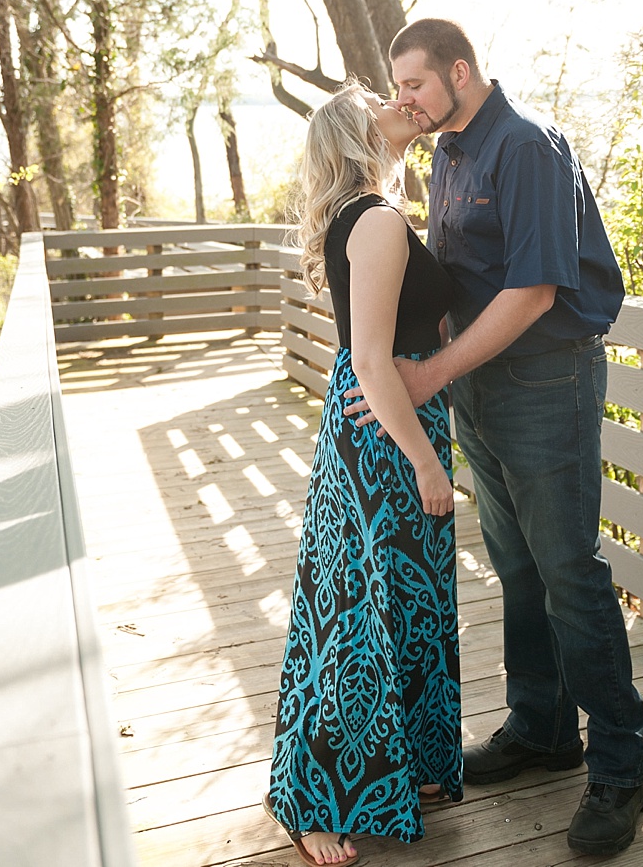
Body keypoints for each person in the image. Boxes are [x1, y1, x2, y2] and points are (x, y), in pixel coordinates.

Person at [347, 17, 643, 858]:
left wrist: (430, 374)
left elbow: (532, 294)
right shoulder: (448, 151)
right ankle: (544, 726)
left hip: (546, 383)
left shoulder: (524, 147)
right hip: (478, 386)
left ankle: (623, 764)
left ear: (459, 68)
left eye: (412, 83)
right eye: (395, 87)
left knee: (569, 571)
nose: (400, 98)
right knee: (517, 565)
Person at [264, 83, 462, 867]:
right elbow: (373, 361)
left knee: (391, 601)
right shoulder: (376, 220)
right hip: (386, 438)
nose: (397, 99)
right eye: (379, 96)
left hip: (387, 424)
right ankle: (311, 801)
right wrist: (422, 460)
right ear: (355, 130)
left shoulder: (379, 212)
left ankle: (392, 771)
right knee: (354, 614)